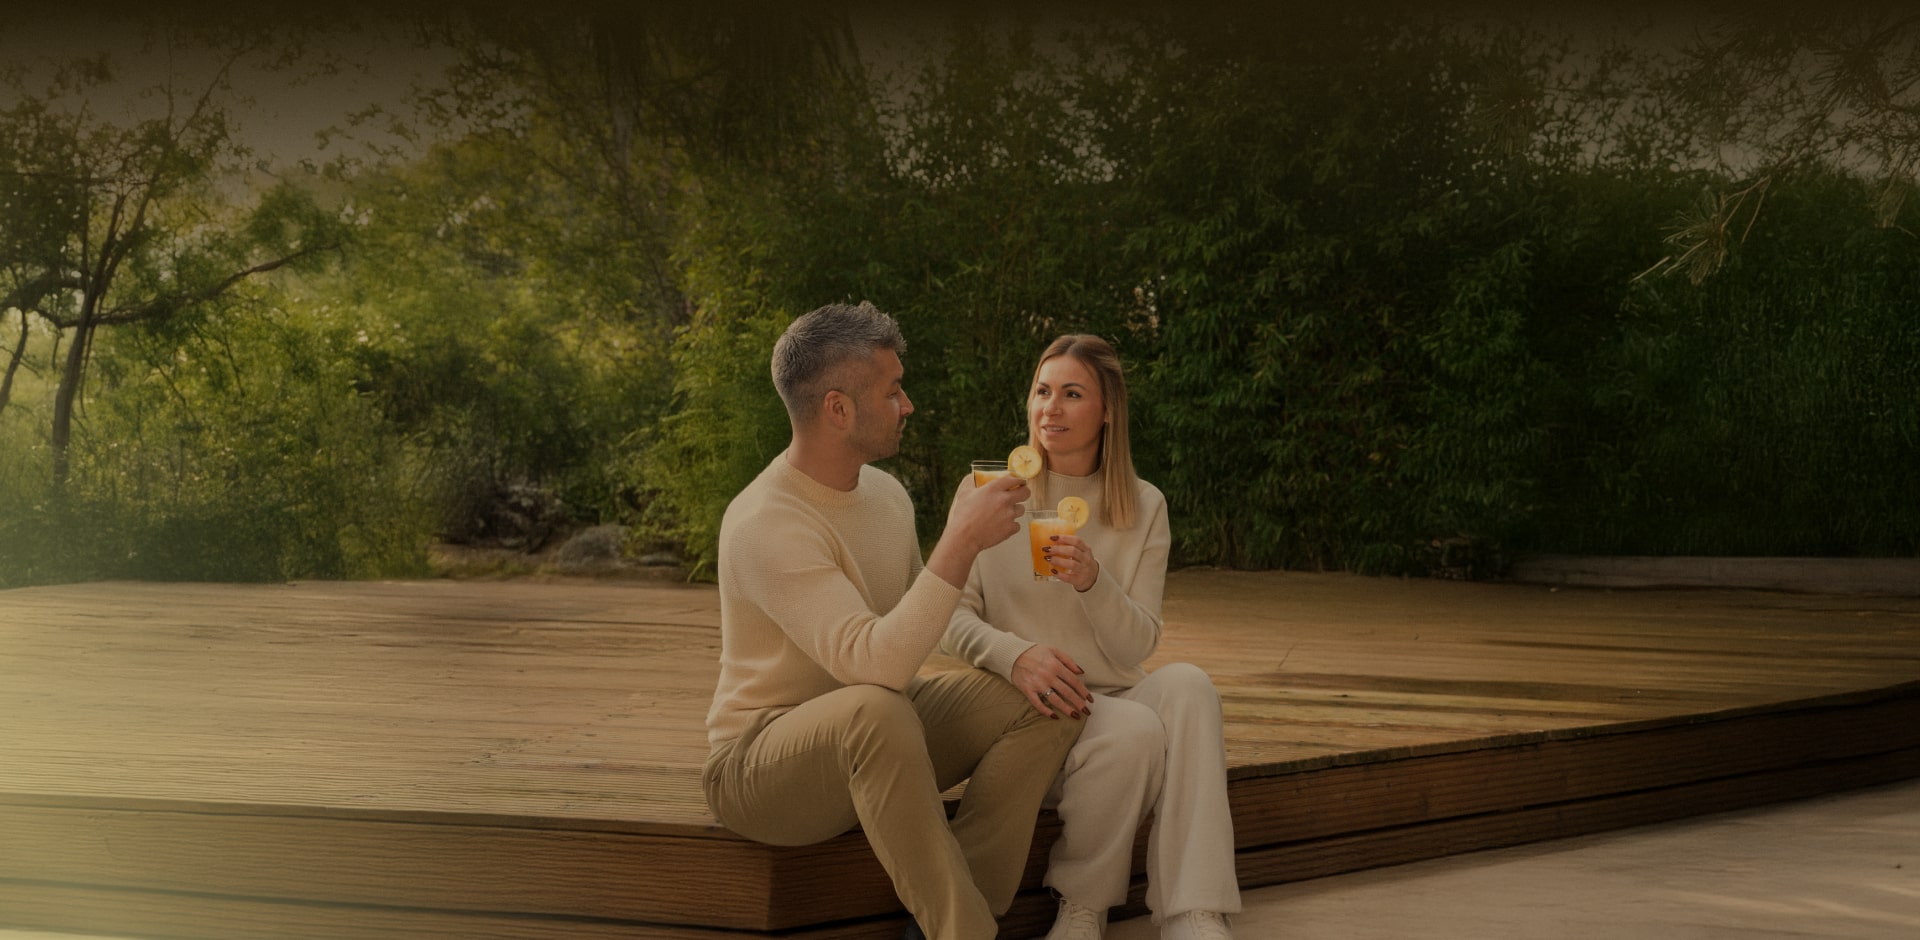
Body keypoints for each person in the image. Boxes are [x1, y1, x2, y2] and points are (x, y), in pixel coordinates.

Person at [702, 302, 1085, 940]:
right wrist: (958, 545)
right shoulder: (765, 523)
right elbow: (875, 663)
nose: (907, 404)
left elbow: (927, 614)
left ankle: (958, 910)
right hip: (761, 768)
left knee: (1052, 695)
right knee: (877, 709)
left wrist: (1015, 657)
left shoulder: (885, 496)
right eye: (893, 389)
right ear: (838, 409)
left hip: (882, 736)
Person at [941, 334, 1241, 940]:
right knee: (1130, 732)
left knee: (1189, 688)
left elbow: (1138, 647)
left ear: (1107, 411)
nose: (1050, 408)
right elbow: (946, 616)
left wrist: (1093, 583)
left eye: (1072, 394)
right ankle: (1083, 907)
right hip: (1034, 709)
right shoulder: (988, 494)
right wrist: (1015, 654)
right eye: (1042, 392)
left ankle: (1193, 910)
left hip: (1113, 693)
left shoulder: (1145, 505)